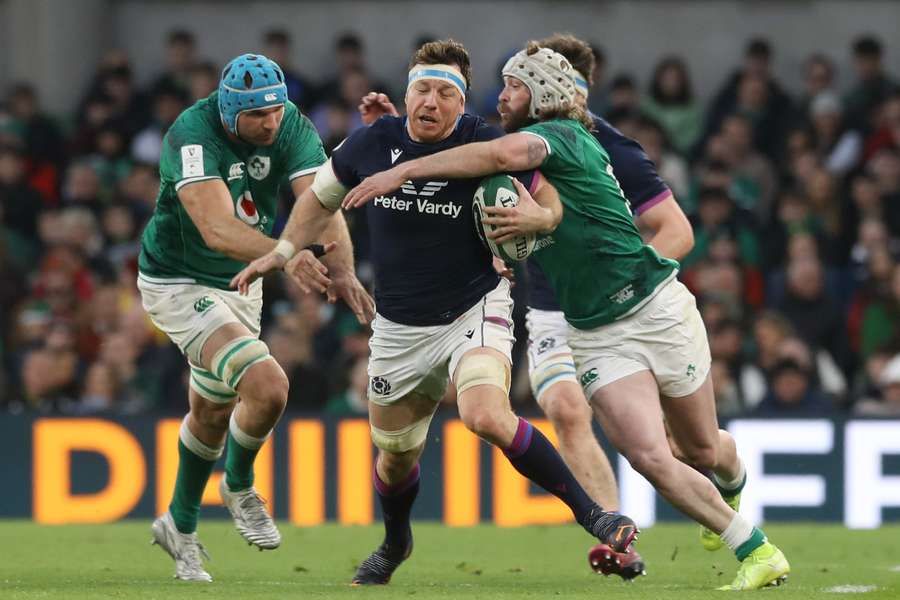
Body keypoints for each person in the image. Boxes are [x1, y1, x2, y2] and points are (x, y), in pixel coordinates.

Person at [340, 42, 791, 591]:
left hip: (654, 305)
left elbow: (506, 162)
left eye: (512, 86)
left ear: (541, 94)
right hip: (590, 327)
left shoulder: (560, 138)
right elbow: (474, 154)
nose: (499, 95)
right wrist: (396, 132)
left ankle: (730, 477)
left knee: (697, 449)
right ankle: (751, 547)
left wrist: (401, 171)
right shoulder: (518, 141)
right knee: (640, 450)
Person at [232, 39, 640, 586]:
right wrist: (283, 252)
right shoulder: (374, 142)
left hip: (475, 304)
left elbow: (552, 195)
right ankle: (396, 541)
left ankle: (596, 515)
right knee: (395, 457)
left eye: (445, 92)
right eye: (422, 88)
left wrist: (540, 222)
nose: (431, 101)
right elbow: (318, 200)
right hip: (399, 327)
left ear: (462, 102)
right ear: (407, 94)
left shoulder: (486, 142)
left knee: (485, 416)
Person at [138, 53, 370, 582]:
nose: (271, 122)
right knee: (267, 385)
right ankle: (239, 484)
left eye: (276, 111)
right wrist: (288, 255)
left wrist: (345, 271)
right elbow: (218, 228)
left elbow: (323, 205)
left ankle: (180, 524)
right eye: (257, 116)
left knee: (213, 414)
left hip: (243, 282)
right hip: (178, 281)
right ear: (228, 110)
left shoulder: (290, 124)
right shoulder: (192, 136)